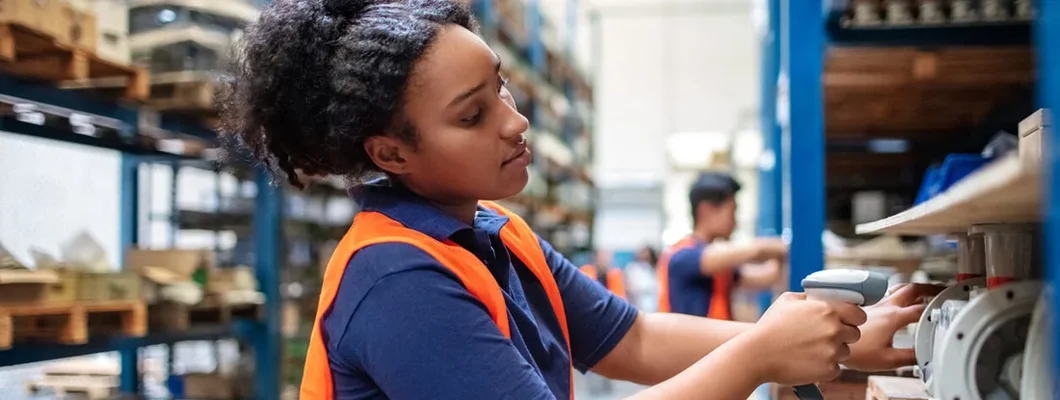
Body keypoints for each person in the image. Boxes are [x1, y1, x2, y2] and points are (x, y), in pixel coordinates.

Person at [219, 1, 943, 399]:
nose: (514, 120)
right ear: (391, 153)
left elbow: (632, 341)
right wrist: (758, 355)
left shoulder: (497, 234)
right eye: (473, 116)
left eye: (500, 86)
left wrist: (837, 341)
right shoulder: (399, 283)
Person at [658, 172, 786, 320]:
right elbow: (755, 250)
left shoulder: (719, 267)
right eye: (732, 211)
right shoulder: (683, 256)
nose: (735, 222)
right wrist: (787, 245)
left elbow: (769, 277)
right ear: (706, 210)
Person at [625, 246, 659, 312]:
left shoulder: (653, 269)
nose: (644, 256)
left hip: (654, 306)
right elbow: (631, 288)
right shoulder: (632, 268)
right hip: (638, 306)